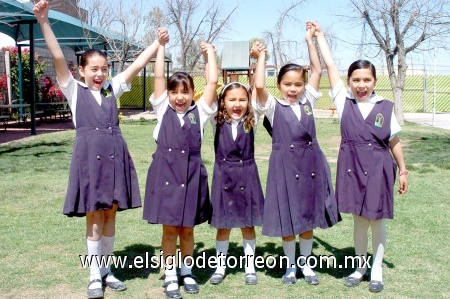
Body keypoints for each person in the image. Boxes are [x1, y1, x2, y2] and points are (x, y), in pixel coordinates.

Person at [33, 1, 168, 298]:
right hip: (89, 161)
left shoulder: (113, 87)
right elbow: (57, 56)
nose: (99, 74)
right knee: (94, 216)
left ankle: (107, 270)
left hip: (115, 157)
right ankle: (95, 276)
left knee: (110, 215)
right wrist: (44, 21)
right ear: (81, 70)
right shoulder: (74, 90)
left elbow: (136, 66)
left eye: (104, 69)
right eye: (93, 69)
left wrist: (156, 43)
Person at [311, 21, 409, 293]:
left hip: (379, 168)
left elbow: (394, 141)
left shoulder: (385, 108)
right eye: (356, 79)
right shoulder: (345, 103)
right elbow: (330, 68)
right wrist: (320, 36)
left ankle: (376, 270)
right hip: (352, 168)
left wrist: (402, 171)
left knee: (376, 220)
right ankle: (360, 266)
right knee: (359, 221)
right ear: (350, 81)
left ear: (375, 81)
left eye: (367, 79)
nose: (361, 84)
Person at [251, 27, 340, 286]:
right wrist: (261, 57)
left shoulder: (308, 102)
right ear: (279, 85)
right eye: (287, 84)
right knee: (288, 220)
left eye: (298, 84)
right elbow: (258, 85)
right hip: (285, 169)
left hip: (311, 165)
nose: (293, 89)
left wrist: (310, 40)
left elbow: (318, 69)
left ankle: (306, 266)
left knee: (308, 219)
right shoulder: (273, 107)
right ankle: (290, 267)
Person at [142, 37, 218, 299]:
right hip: (165, 176)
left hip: (192, 176)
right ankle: (170, 275)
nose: (179, 97)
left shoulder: (202, 112)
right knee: (169, 230)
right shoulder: (162, 108)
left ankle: (187, 271)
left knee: (187, 229)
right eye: (175, 92)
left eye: (185, 91)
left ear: (192, 93)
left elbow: (212, 82)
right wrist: (161, 46)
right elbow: (159, 75)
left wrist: (210, 56)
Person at [208, 81, 264, 285]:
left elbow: (259, 87)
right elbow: (210, 87)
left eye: (242, 99)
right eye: (231, 99)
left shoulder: (252, 120)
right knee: (223, 227)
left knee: (248, 225)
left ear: (249, 102)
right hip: (223, 178)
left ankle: (250, 268)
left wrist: (260, 58)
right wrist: (209, 57)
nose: (237, 104)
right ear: (222, 102)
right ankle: (219, 268)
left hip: (247, 177)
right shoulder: (216, 121)